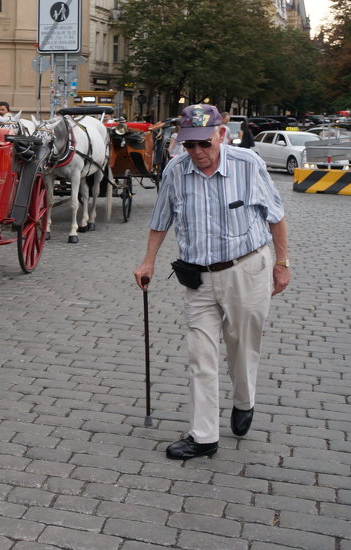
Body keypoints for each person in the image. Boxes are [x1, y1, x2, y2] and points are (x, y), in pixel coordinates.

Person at [133, 103, 290, 461]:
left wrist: (281, 264)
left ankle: (244, 400)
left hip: (247, 270)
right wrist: (148, 261)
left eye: (204, 143)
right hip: (198, 278)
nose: (198, 153)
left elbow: (276, 217)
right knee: (200, 356)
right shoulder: (176, 171)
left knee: (241, 347)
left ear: (221, 134)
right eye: (190, 145)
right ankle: (203, 436)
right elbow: (161, 218)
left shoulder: (248, 166)